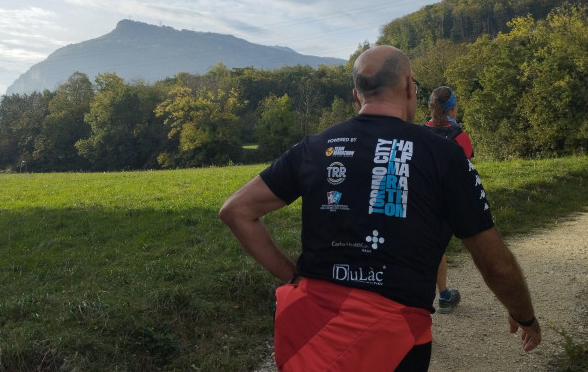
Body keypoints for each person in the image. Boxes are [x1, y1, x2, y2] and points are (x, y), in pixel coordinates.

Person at [219, 45, 540, 371]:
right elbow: (496, 265)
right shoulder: (443, 155)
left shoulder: (314, 148)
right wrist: (524, 315)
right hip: (393, 342)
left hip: (311, 334)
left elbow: (236, 210)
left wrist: (292, 276)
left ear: (356, 96)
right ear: (410, 87)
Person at [426, 85, 474, 314]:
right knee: (437, 248)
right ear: (453, 109)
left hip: (413, 200)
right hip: (444, 204)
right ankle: (443, 296)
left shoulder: (418, 133)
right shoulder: (460, 137)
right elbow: (466, 174)